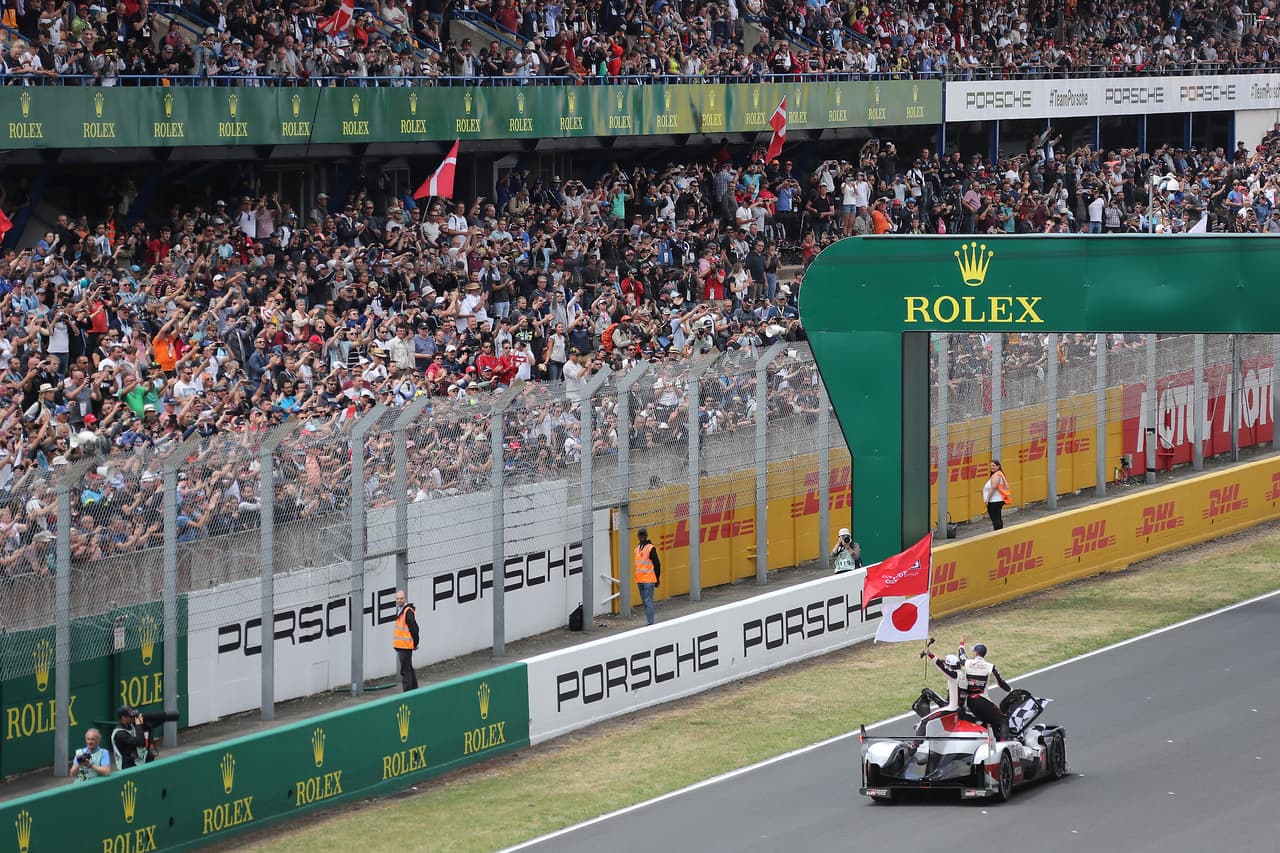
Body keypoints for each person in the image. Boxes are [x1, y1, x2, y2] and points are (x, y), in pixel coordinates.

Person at [959, 642, 1012, 739]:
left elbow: (961, 656)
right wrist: (1010, 690)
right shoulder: (990, 666)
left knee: (986, 722)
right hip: (982, 700)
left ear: (975, 653)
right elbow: (1000, 683)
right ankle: (1003, 745)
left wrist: (961, 644)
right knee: (1003, 720)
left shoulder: (968, 663)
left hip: (970, 702)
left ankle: (990, 740)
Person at [919, 638, 967, 735]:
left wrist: (929, 654)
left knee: (924, 722)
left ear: (949, 666)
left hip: (951, 708)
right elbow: (944, 665)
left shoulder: (953, 676)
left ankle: (914, 745)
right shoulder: (962, 675)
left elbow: (941, 666)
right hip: (960, 708)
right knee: (927, 692)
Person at [393, 588, 420, 692]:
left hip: (405, 646)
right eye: (397, 598)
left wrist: (415, 642)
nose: (399, 600)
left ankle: (407, 692)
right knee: (409, 668)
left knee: (405, 670)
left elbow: (414, 628)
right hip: (401, 645)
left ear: (405, 599)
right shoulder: (401, 610)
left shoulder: (407, 611)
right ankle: (415, 689)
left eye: (401, 598)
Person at [634, 528, 661, 626]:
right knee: (645, 602)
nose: (642, 537)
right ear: (638, 536)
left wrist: (657, 579)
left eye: (643, 535)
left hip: (649, 579)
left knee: (648, 601)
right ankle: (649, 621)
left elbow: (657, 564)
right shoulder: (637, 549)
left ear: (646, 536)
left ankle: (650, 623)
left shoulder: (650, 548)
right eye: (640, 535)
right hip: (640, 580)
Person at [981, 460, 1012, 530]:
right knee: (997, 517)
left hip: (994, 501)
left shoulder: (996, 476)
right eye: (991, 465)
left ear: (998, 466)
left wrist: (987, 499)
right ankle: (999, 532)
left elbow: (993, 487)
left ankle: (997, 533)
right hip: (996, 500)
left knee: (995, 518)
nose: (991, 467)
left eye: (993, 465)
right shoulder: (998, 474)